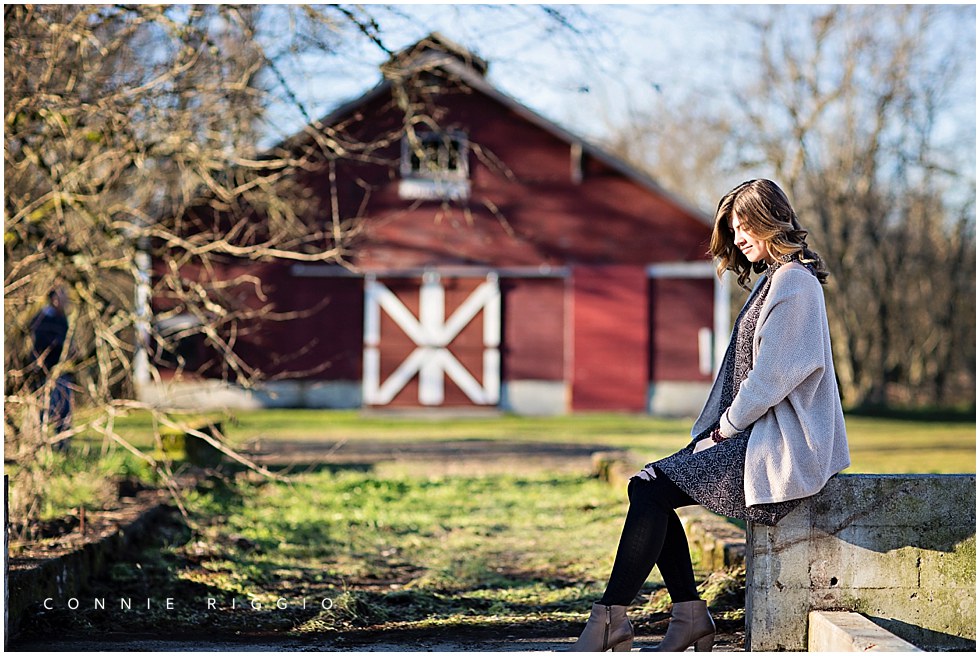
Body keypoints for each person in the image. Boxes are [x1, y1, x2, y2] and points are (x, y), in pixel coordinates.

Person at [570, 179, 850, 652]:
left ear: (771, 221)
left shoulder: (795, 284)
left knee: (651, 489)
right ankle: (684, 616)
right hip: (753, 435)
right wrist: (721, 430)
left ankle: (616, 618)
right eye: (733, 228)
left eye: (745, 226)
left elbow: (771, 377)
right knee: (648, 487)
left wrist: (725, 429)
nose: (738, 237)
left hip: (779, 444)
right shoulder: (775, 280)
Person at [29, 285, 75, 450]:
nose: (65, 301)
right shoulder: (42, 319)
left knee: (64, 411)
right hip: (46, 373)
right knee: (47, 410)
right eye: (62, 297)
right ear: (54, 299)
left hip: (62, 372)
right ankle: (41, 446)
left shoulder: (63, 319)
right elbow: (40, 345)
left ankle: (62, 447)